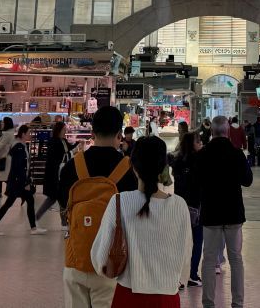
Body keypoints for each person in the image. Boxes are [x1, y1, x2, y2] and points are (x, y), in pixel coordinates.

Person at [90, 135, 193, 308]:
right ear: (163, 167)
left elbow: (100, 257)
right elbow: (186, 256)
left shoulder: (120, 201)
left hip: (128, 297)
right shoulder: (180, 205)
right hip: (167, 298)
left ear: (133, 167)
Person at [58, 105, 137, 308]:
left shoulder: (72, 166)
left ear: (92, 133)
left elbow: (63, 208)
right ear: (120, 134)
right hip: (110, 264)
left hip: (76, 259)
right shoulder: (127, 170)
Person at [199, 115, 252, 308]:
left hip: (211, 212)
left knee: (209, 259)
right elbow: (248, 181)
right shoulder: (237, 154)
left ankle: (208, 303)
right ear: (228, 131)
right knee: (236, 259)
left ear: (211, 131)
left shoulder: (203, 154)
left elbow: (196, 181)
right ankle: (237, 303)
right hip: (233, 212)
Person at [0, 123, 46, 235]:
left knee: (29, 200)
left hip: (18, 181)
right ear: (22, 134)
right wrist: (25, 182)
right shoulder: (19, 147)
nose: (30, 135)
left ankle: (33, 228)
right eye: (28, 133)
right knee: (9, 204)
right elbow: (19, 167)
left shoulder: (21, 145)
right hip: (17, 182)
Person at [171, 130, 205, 288]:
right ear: (193, 144)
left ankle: (176, 278)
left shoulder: (177, 160)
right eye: (198, 141)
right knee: (197, 241)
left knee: (179, 242)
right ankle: (192, 275)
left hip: (179, 205)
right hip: (196, 206)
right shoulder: (200, 160)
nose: (201, 144)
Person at [34, 119, 73, 224]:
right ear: (59, 130)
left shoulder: (63, 141)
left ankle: (63, 221)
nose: (65, 131)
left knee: (59, 198)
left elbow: (69, 149)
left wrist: (79, 143)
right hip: (54, 174)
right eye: (64, 129)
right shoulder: (54, 141)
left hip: (61, 173)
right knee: (57, 198)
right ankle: (38, 217)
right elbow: (53, 159)